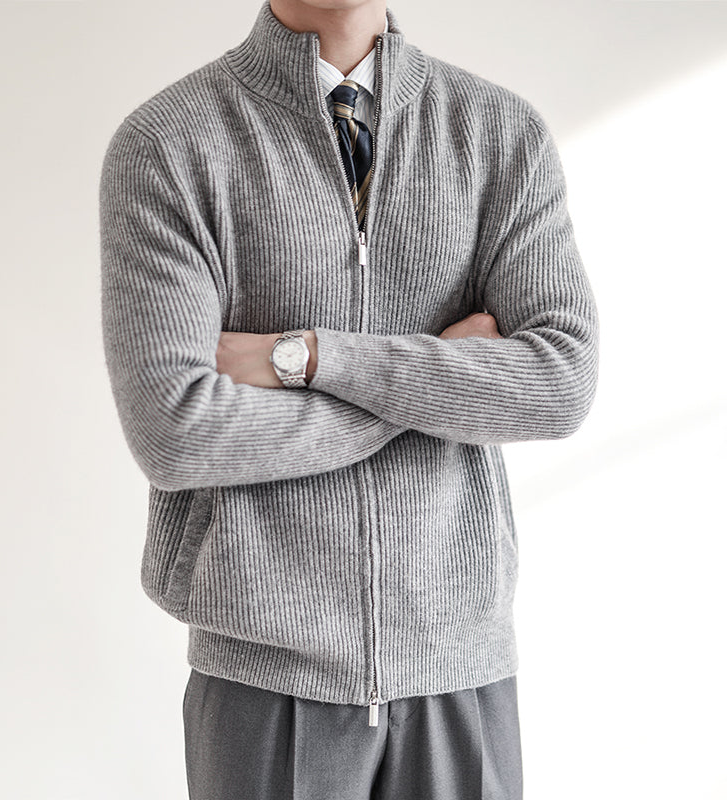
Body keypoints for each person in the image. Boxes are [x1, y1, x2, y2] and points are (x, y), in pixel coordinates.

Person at [99, 0, 598, 797]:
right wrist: (438, 383)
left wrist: (308, 358)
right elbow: (177, 430)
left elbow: (559, 382)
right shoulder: (171, 142)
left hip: (459, 670)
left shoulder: (500, 135)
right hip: (262, 682)